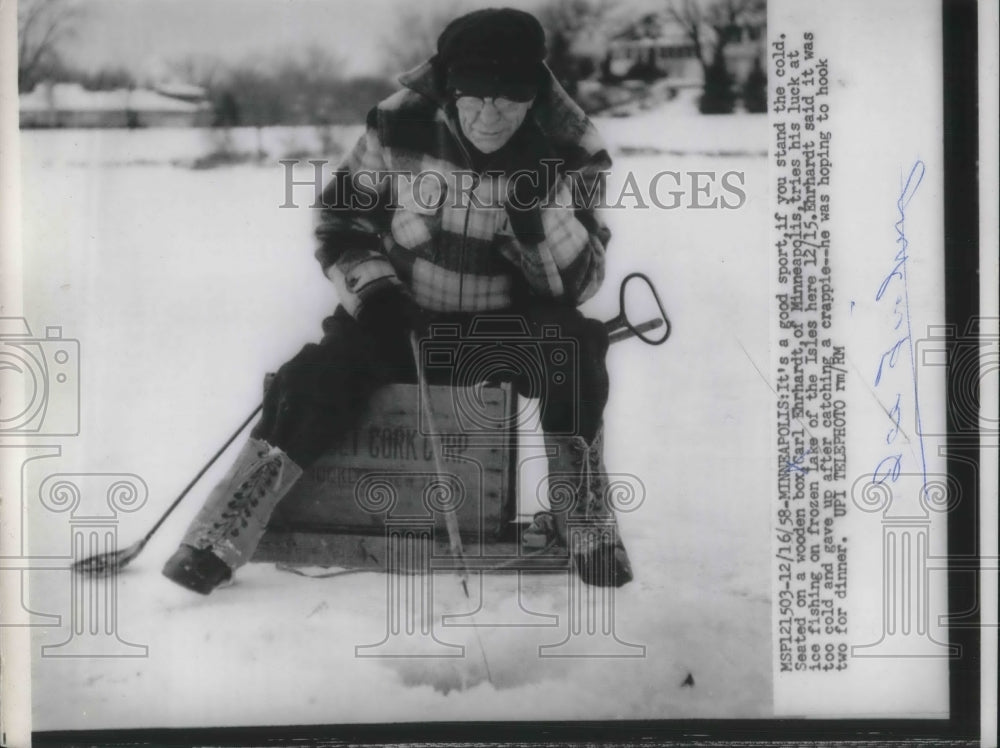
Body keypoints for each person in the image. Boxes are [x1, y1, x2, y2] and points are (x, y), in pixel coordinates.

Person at [162, 7, 633, 594]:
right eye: (475, 95)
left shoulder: (570, 145)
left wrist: (537, 207)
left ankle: (582, 515)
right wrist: (377, 294)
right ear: (448, 87)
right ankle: (220, 532)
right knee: (310, 378)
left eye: (508, 97)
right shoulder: (397, 124)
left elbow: (580, 283)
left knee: (577, 351)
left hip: (503, 328)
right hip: (403, 319)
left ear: (532, 92)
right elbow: (340, 221)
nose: (490, 113)